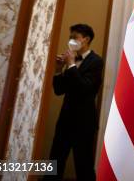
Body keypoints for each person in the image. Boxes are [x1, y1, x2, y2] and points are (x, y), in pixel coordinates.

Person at [48, 24, 103, 180]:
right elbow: (59, 90)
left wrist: (71, 64)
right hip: (65, 119)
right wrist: (59, 70)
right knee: (54, 162)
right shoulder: (72, 59)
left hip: (84, 123)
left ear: (85, 39)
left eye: (74, 37)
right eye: (70, 37)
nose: (70, 40)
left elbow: (85, 88)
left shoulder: (96, 61)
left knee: (83, 165)